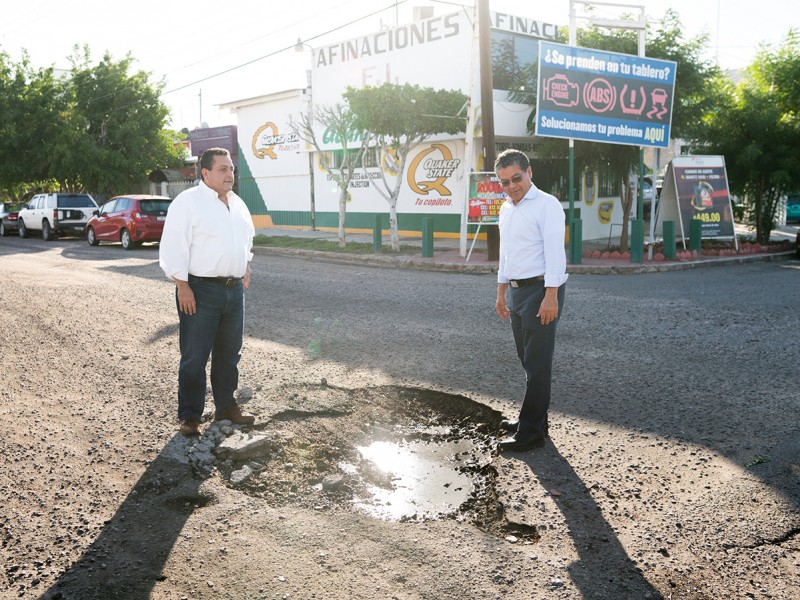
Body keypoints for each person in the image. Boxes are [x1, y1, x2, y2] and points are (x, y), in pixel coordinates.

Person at [159, 147, 256, 436]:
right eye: (223, 169)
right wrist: (182, 285)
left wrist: (245, 265)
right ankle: (190, 416)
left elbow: (246, 238)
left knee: (229, 354)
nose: (230, 174)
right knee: (195, 355)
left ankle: (226, 406)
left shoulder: (237, 203)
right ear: (205, 172)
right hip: (200, 290)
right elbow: (174, 246)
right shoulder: (187, 203)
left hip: (233, 291)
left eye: (231, 169)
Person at [494, 149, 568, 451]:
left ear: (529, 173)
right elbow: (505, 253)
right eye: (504, 182)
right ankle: (535, 421)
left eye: (516, 178)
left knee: (537, 364)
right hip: (517, 290)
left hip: (541, 291)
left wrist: (551, 296)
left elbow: (555, 253)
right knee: (527, 359)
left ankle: (530, 433)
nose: (511, 186)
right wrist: (501, 291)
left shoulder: (547, 205)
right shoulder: (505, 208)